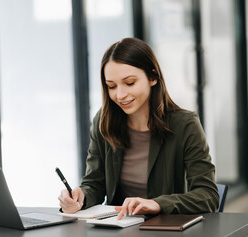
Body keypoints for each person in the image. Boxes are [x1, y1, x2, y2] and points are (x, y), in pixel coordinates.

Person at [58, 37, 219, 220]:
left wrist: (158, 203)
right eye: (111, 86)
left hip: (164, 229)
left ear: (153, 77)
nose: (120, 95)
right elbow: (94, 184)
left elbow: (208, 195)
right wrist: (80, 197)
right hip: (116, 227)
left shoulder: (185, 124)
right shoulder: (103, 121)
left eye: (130, 83)